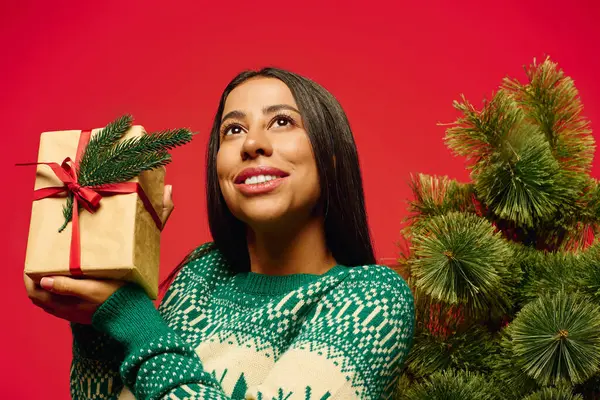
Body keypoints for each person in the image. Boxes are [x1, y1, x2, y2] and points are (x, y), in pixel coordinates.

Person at [24, 68, 415, 399]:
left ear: (331, 156)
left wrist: (133, 319)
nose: (252, 143)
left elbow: (146, 340)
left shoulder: (373, 300)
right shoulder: (201, 274)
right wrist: (94, 319)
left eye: (282, 121)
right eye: (233, 129)